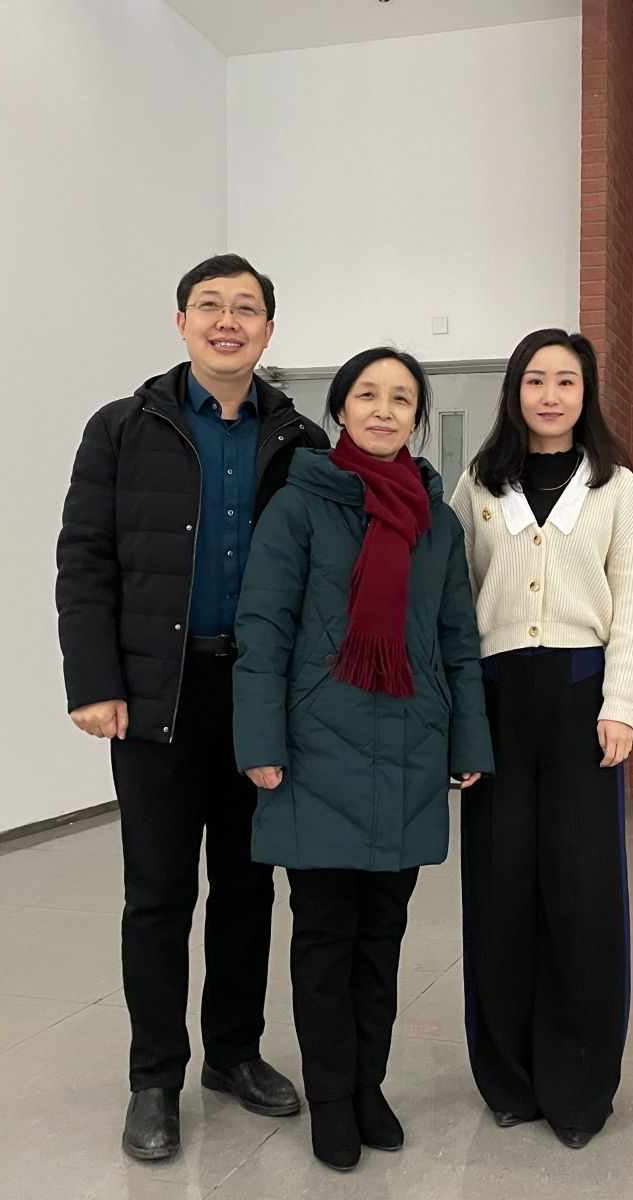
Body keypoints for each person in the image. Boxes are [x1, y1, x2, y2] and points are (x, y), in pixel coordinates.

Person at [56, 254, 325, 1161]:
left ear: (269, 330)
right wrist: (94, 681)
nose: (227, 321)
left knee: (249, 888)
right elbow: (84, 560)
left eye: (246, 308)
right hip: (155, 697)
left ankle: (235, 1054)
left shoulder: (301, 440)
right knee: (158, 895)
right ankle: (154, 1079)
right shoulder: (122, 429)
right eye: (210, 305)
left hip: (259, 697)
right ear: (181, 322)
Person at [233, 346, 493, 1172]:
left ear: (418, 417)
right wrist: (259, 743)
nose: (384, 410)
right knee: (324, 937)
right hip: (316, 749)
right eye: (368, 395)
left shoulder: (436, 521)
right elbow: (263, 629)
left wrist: (469, 740)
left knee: (382, 936)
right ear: (340, 408)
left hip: (411, 748)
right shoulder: (298, 506)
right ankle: (331, 1100)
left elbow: (457, 641)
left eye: (402, 399)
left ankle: (369, 1086)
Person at [450, 328, 633, 1148]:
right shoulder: (479, 483)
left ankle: (579, 1084)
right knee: (498, 889)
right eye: (535, 379)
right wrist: (461, 720)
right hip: (497, 703)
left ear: (585, 392)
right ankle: (507, 1076)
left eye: (566, 380)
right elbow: (455, 603)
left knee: (581, 891)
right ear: (514, 390)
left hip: (580, 702)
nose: (549, 395)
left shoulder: (615, 487)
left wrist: (621, 704)